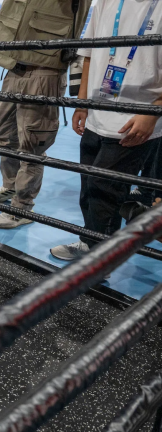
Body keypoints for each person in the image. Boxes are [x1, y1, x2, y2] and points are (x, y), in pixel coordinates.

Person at [50, 0, 162, 261]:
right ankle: (91, 243)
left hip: (136, 119)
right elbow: (89, 54)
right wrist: (82, 100)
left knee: (105, 189)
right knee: (89, 184)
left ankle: (100, 256)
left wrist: (153, 111)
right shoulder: (107, 2)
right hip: (97, 113)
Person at [0, 0, 89, 229]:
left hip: (44, 70)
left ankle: (21, 208)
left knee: (32, 143)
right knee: (4, 132)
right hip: (14, 65)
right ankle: (10, 186)